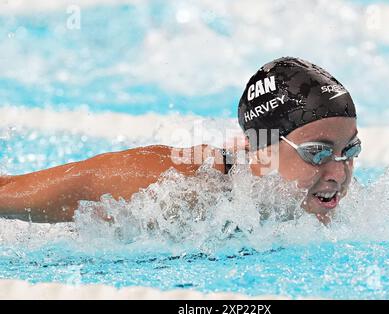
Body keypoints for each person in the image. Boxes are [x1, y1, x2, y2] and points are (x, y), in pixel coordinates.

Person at [0, 57, 360, 224]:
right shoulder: (178, 184)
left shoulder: (319, 203)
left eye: (350, 151)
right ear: (261, 145)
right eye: (318, 153)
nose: (338, 173)